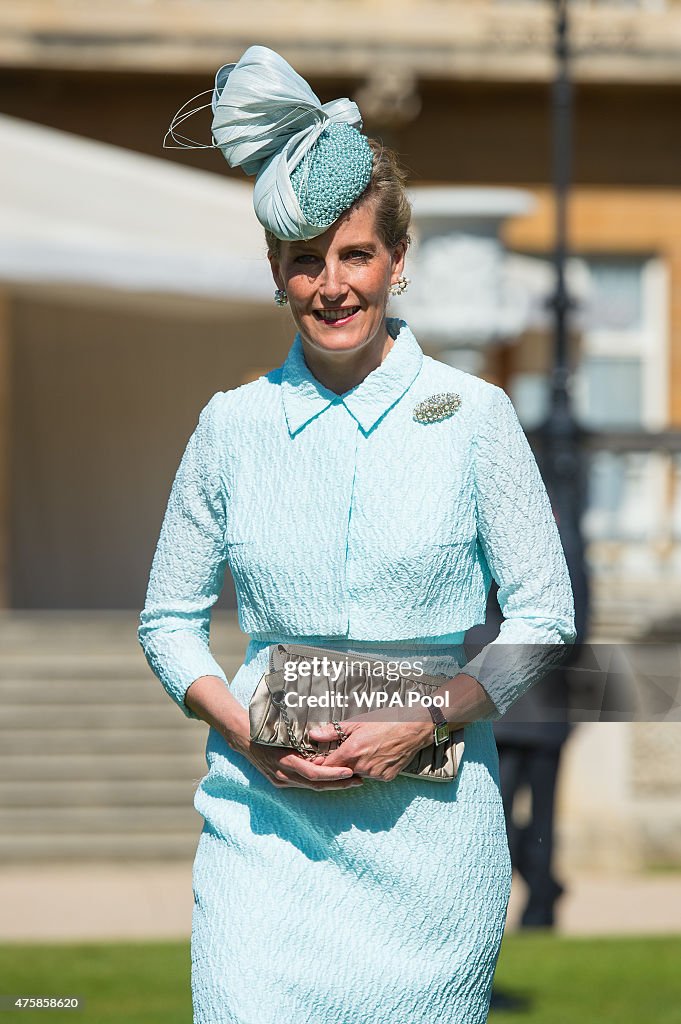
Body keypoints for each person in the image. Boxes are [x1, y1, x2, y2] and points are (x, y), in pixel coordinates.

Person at [139, 45, 576, 1024]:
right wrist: (245, 731)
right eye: (305, 262)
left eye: (355, 254)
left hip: (431, 852)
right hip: (262, 836)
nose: (331, 285)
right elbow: (167, 622)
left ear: (398, 260)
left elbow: (545, 616)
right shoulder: (230, 425)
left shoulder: (475, 415)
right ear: (276, 272)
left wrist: (429, 716)